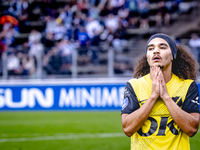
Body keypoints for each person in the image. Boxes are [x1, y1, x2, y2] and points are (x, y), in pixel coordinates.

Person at [121, 33, 200, 150]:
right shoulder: (134, 85)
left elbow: (192, 129)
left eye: (162, 47)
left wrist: (165, 96)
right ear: (147, 57)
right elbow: (127, 129)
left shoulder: (187, 86)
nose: (155, 51)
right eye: (150, 48)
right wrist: (153, 96)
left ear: (173, 55)